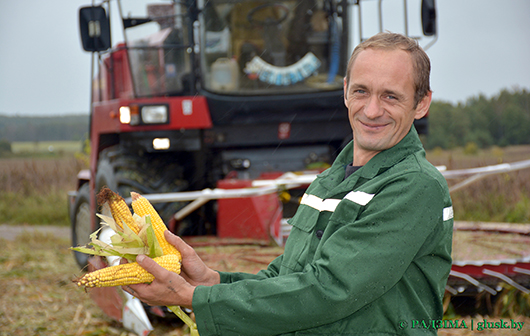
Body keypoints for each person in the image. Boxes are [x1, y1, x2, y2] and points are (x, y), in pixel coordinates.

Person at [123, 32, 454, 335]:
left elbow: (329, 290)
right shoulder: (327, 182)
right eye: (361, 91)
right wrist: (212, 282)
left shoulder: (415, 187)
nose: (371, 109)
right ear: (345, 92)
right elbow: (288, 278)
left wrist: (196, 299)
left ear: (421, 103)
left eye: (391, 97)